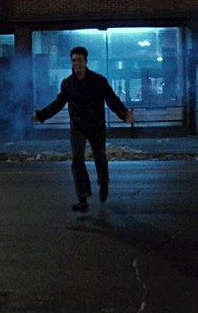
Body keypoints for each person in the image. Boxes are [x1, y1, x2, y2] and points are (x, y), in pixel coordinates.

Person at [31, 46, 135, 212]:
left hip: (96, 125)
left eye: (79, 60)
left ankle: (103, 183)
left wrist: (124, 114)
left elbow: (112, 99)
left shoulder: (98, 81)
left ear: (86, 62)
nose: (76, 63)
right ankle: (83, 198)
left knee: (99, 156)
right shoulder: (68, 84)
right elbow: (59, 103)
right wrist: (41, 115)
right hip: (78, 126)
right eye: (74, 60)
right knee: (77, 160)